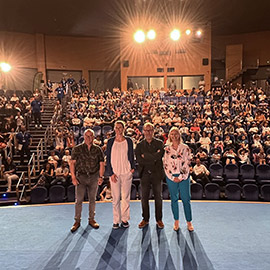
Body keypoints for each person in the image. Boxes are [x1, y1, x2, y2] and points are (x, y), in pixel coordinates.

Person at [70, 129, 105, 232]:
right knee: (79, 200)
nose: (89, 138)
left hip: (94, 177)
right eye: (87, 136)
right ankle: (77, 221)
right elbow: (72, 163)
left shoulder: (98, 149)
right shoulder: (77, 149)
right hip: (81, 177)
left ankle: (92, 219)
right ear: (83, 137)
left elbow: (102, 164)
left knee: (92, 200)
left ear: (93, 137)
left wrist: (101, 176)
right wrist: (73, 177)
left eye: (91, 136)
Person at [163, 127, 194, 232]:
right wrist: (172, 177)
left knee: (186, 199)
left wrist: (180, 177)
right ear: (169, 136)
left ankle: (189, 222)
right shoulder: (167, 149)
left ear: (179, 135)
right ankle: (176, 221)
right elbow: (165, 165)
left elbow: (187, 163)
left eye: (176, 134)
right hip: (171, 178)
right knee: (174, 200)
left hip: (184, 177)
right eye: (172, 134)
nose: (174, 136)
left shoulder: (185, 148)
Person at [106, 120, 135, 229]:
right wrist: (111, 173)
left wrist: (132, 168)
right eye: (116, 127)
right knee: (116, 198)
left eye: (120, 127)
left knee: (126, 197)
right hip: (115, 174)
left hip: (126, 172)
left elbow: (132, 155)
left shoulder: (129, 140)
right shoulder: (110, 142)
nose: (118, 129)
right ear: (114, 129)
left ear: (124, 129)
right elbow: (108, 158)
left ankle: (124, 219)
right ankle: (116, 220)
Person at [135, 122, 165, 229]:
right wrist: (153, 157)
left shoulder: (160, 143)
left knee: (158, 198)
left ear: (153, 131)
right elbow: (139, 160)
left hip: (157, 174)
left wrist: (146, 156)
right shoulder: (139, 145)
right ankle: (145, 219)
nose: (148, 132)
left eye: (150, 130)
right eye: (146, 130)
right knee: (144, 198)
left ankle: (159, 219)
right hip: (145, 174)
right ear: (143, 131)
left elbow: (159, 155)